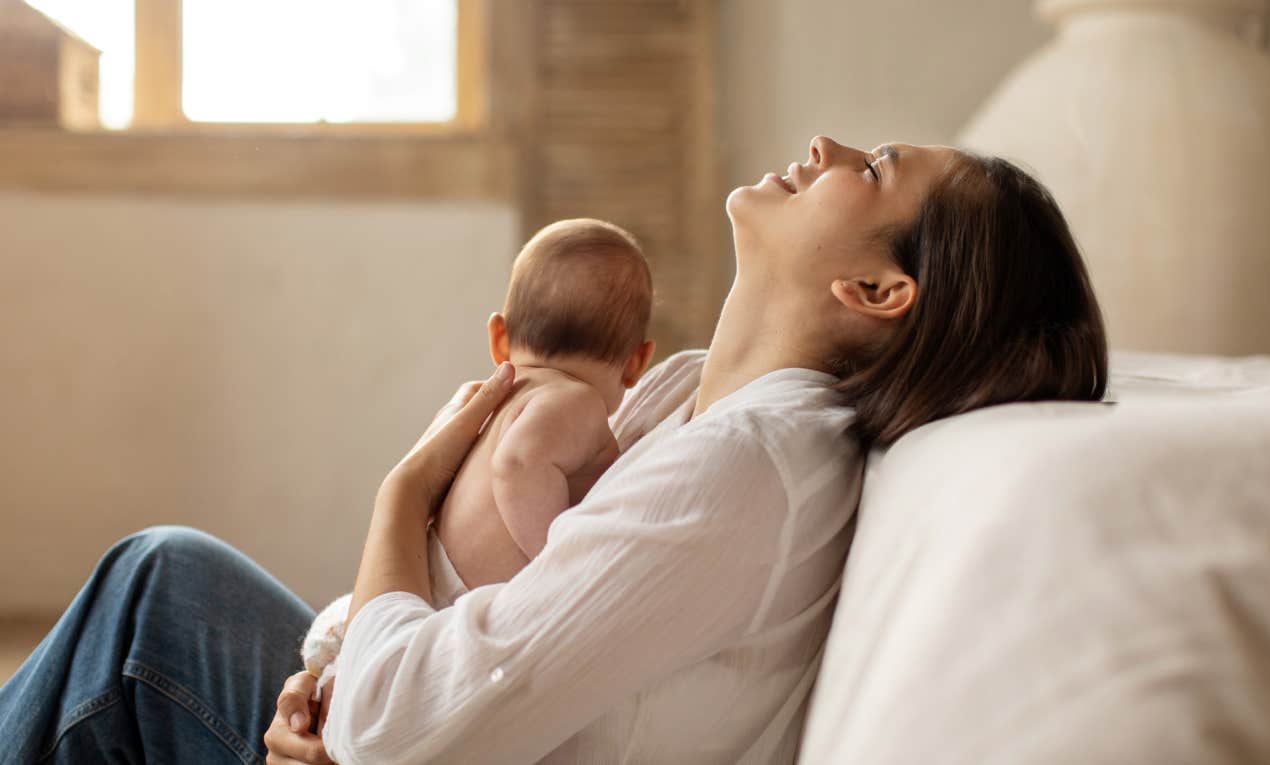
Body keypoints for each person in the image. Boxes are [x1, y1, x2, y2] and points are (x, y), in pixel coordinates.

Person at [0, 136, 1108, 764]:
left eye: (865, 170)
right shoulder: (683, 399)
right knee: (161, 588)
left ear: (874, 290)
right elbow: (453, 639)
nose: (823, 146)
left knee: (154, 595)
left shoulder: (746, 472)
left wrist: (401, 493)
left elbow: (396, 729)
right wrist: (322, 667)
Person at [300, 217, 656, 697]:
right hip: (438, 616)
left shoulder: (487, 406)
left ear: (499, 339)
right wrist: (561, 562)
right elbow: (518, 466)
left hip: (396, 603)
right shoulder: (575, 401)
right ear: (637, 361)